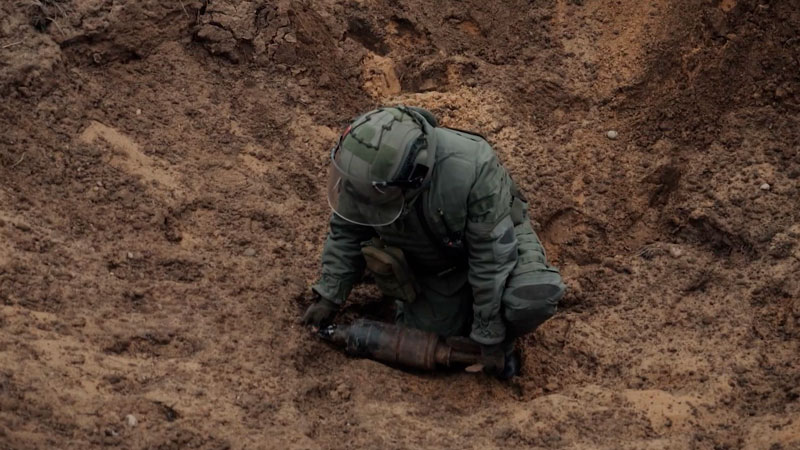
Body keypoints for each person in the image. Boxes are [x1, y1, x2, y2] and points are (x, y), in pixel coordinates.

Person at [302, 106, 565, 379]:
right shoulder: (365, 172)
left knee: (530, 298)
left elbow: (491, 258)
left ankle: (502, 341)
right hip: (432, 263)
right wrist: (330, 296)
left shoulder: (472, 167)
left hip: (497, 242)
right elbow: (346, 231)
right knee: (432, 339)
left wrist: (490, 337)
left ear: (413, 178)